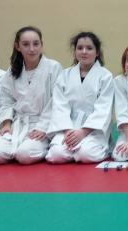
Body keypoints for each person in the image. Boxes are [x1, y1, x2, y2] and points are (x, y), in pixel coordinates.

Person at [0, 26, 62, 165]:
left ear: (41, 45)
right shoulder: (13, 70)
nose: (32, 49)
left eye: (36, 44)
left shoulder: (53, 67)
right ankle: (18, 145)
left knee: (25, 155)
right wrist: (6, 124)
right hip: (18, 124)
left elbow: (56, 100)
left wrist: (43, 127)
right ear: (18, 46)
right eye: (26, 44)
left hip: (42, 124)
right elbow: (6, 99)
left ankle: (44, 145)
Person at [46, 32, 114, 164]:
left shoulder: (105, 76)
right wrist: (68, 131)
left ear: (97, 52)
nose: (84, 52)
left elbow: (103, 108)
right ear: (75, 51)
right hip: (69, 127)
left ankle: (96, 149)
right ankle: (71, 148)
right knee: (56, 154)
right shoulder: (64, 75)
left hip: (93, 130)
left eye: (89, 48)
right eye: (80, 48)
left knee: (85, 154)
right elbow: (59, 105)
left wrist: (83, 132)